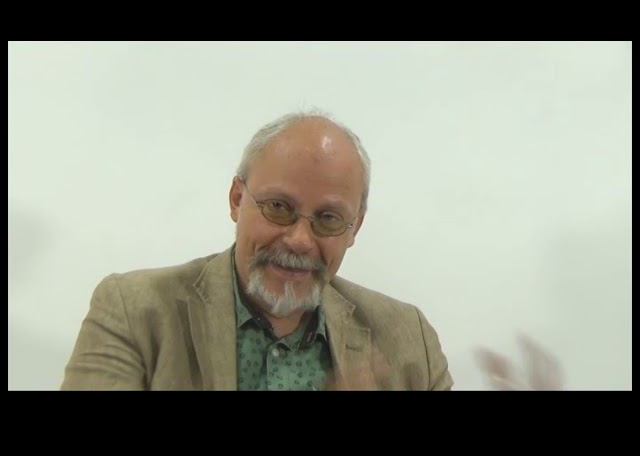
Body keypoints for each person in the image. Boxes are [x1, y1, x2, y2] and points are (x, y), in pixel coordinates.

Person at [61, 110, 453, 390]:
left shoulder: (408, 340)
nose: (300, 239)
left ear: (355, 228)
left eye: (328, 219)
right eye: (279, 207)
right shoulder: (134, 311)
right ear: (236, 199)